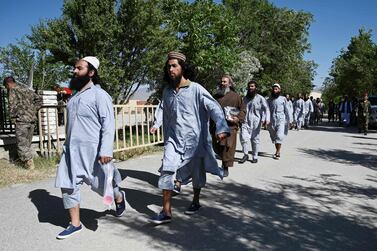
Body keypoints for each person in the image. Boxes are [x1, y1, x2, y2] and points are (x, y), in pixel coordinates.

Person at [149, 52, 229, 225]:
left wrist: (222, 127)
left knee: (197, 172)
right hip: (173, 139)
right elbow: (162, 108)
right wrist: (156, 124)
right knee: (167, 170)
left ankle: (196, 200)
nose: (170, 69)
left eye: (174, 65)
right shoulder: (167, 91)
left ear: (182, 68)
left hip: (195, 140)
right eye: (168, 66)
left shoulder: (196, 89)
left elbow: (214, 108)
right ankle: (166, 211)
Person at [55, 56, 126, 239]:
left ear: (91, 72)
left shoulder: (100, 95)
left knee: (103, 187)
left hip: (93, 152)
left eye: (79, 68)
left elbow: (108, 124)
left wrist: (106, 150)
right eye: (74, 68)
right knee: (67, 185)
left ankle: (119, 197)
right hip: (71, 152)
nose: (75, 71)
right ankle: (75, 224)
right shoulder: (74, 97)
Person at [3, 76, 42, 169]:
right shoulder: (26, 89)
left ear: (8, 84)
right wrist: (33, 110)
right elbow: (39, 100)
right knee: (27, 143)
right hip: (32, 120)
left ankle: (29, 164)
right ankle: (25, 161)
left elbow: (11, 106)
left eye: (6, 86)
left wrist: (13, 119)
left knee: (22, 143)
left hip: (21, 121)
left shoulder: (12, 90)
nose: (6, 89)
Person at [212, 75, 246, 176]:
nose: (222, 84)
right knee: (217, 147)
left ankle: (225, 166)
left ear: (230, 84)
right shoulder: (216, 96)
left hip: (230, 126)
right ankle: (222, 161)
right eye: (221, 82)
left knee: (228, 147)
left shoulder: (236, 96)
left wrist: (238, 118)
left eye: (225, 82)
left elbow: (243, 109)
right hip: (217, 126)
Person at [239, 80, 270, 164]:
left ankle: (255, 156)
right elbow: (241, 109)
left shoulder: (260, 98)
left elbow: (266, 108)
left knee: (255, 140)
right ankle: (245, 154)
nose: (250, 88)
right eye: (249, 86)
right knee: (243, 138)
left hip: (256, 122)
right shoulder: (244, 98)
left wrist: (267, 119)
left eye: (252, 86)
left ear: (255, 88)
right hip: (245, 121)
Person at [267, 83, 292, 160]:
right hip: (272, 120)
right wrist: (265, 120)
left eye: (276, 89)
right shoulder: (269, 99)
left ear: (279, 90)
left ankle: (278, 152)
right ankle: (277, 150)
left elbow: (287, 110)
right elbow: (266, 110)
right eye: (273, 89)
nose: (274, 90)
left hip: (281, 119)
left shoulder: (283, 99)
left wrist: (290, 120)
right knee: (274, 136)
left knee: (279, 135)